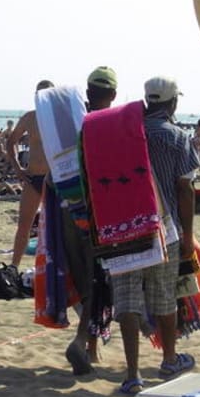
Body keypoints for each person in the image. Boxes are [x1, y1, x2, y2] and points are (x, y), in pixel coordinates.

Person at [111, 76, 200, 395]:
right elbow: (185, 189)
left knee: (128, 300)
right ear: (173, 103)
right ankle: (169, 359)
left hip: (122, 229)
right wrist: (189, 235)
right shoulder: (178, 137)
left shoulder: (122, 134)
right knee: (164, 295)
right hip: (165, 230)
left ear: (148, 101)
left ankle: (132, 374)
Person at [60, 65, 119, 374]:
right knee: (100, 280)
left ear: (88, 92)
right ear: (112, 94)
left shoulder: (73, 123)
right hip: (97, 214)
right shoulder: (108, 124)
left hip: (70, 211)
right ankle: (84, 341)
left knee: (84, 279)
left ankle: (90, 348)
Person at [6, 80, 53, 270]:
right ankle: (14, 266)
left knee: (55, 227)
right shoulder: (29, 118)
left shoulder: (59, 118)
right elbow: (10, 143)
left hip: (53, 180)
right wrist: (17, 168)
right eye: (39, 94)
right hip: (32, 178)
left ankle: (55, 268)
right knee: (23, 226)